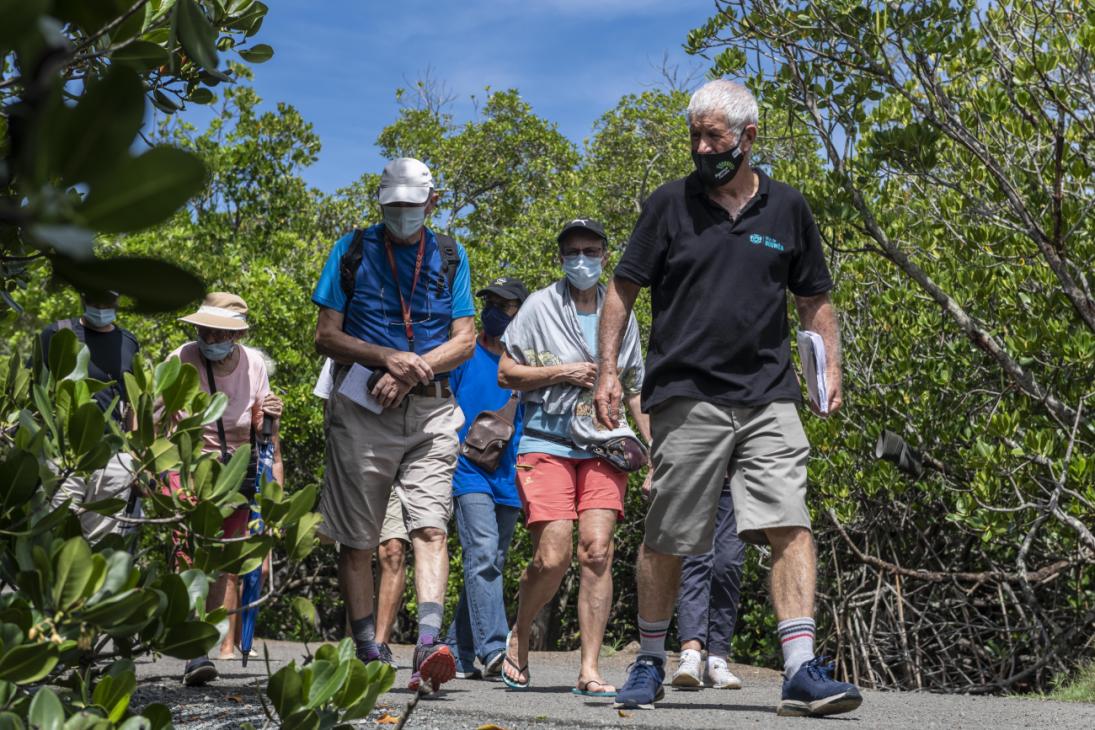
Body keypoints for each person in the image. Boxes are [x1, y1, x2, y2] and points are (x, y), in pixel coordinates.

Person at [596, 79, 863, 717]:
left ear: (748, 137)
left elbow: (814, 300)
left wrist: (830, 368)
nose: (700, 147)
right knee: (668, 532)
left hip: (769, 394)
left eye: (713, 136)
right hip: (686, 393)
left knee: (788, 523)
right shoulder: (668, 205)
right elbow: (621, 291)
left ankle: (800, 671)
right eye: (694, 135)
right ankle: (651, 663)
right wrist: (608, 370)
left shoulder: (788, 209)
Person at [312, 157, 475, 694]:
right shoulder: (352, 249)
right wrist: (388, 357)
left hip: (430, 409)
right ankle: (368, 647)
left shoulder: (451, 254)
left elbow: (465, 338)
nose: (402, 216)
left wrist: (410, 372)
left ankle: (428, 645)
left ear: (433, 202)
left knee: (430, 525)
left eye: (411, 206)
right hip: (362, 408)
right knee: (359, 539)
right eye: (392, 208)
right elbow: (327, 336)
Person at [498, 219, 649, 696]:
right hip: (547, 440)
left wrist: (656, 452)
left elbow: (635, 389)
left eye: (590, 250)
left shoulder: (621, 310)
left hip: (604, 443)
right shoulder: (540, 306)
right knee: (553, 553)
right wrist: (563, 372)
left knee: (597, 551)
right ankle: (519, 635)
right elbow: (506, 372)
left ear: (606, 255)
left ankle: (589, 669)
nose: (581, 258)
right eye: (572, 251)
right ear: (561, 258)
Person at [169, 292, 284, 686]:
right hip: (188, 465)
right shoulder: (180, 358)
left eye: (218, 332)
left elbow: (263, 434)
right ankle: (193, 651)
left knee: (222, 564)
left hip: (237, 472)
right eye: (204, 329)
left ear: (235, 335)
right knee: (189, 557)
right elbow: (152, 412)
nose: (208, 336)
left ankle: (205, 645)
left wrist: (269, 416)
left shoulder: (253, 364)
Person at [443, 276, 529, 680]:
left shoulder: (527, 365)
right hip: (469, 470)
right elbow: (445, 410)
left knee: (491, 562)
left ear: (521, 312)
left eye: (505, 304)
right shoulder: (463, 354)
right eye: (490, 301)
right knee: (481, 555)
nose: (495, 310)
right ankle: (495, 649)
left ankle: (455, 652)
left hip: (512, 475)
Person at [314, 358, 407, 671]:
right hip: (358, 453)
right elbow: (329, 410)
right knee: (357, 549)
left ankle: (381, 643)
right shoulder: (344, 345)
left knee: (393, 550)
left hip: (403, 451)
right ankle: (362, 641)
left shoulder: (417, 343)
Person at [41, 290, 141, 541]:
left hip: (113, 459)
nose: (100, 307)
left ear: (118, 301)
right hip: (65, 455)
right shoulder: (57, 334)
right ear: (83, 297)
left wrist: (136, 454)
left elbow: (133, 401)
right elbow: (36, 391)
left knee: (103, 545)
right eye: (94, 300)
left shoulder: (128, 341)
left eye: (107, 301)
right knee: (56, 535)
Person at [669, 478, 746, 691]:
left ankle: (717, 660)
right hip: (695, 474)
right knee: (696, 558)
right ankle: (690, 654)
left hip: (734, 480)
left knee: (728, 564)